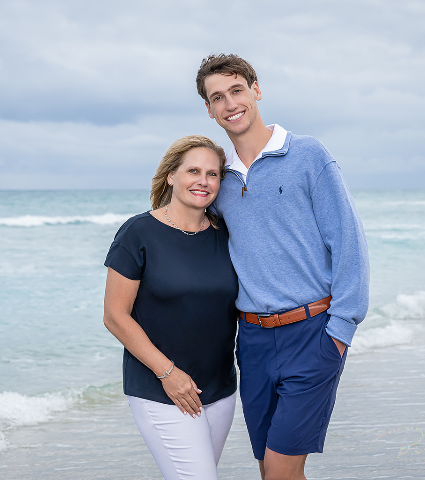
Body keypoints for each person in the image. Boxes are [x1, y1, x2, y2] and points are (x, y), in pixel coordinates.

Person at [195, 54, 370, 480]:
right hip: (252, 343)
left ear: (256, 89)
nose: (230, 103)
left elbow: (348, 242)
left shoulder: (308, 154)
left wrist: (340, 331)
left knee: (279, 472)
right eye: (217, 97)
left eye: (237, 90)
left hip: (313, 334)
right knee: (270, 471)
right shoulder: (218, 178)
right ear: (209, 109)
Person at [103, 135, 239, 480]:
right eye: (193, 171)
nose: (203, 181)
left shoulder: (227, 235)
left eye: (213, 174)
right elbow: (115, 316)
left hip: (220, 389)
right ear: (171, 176)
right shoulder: (138, 233)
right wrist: (169, 374)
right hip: (161, 388)